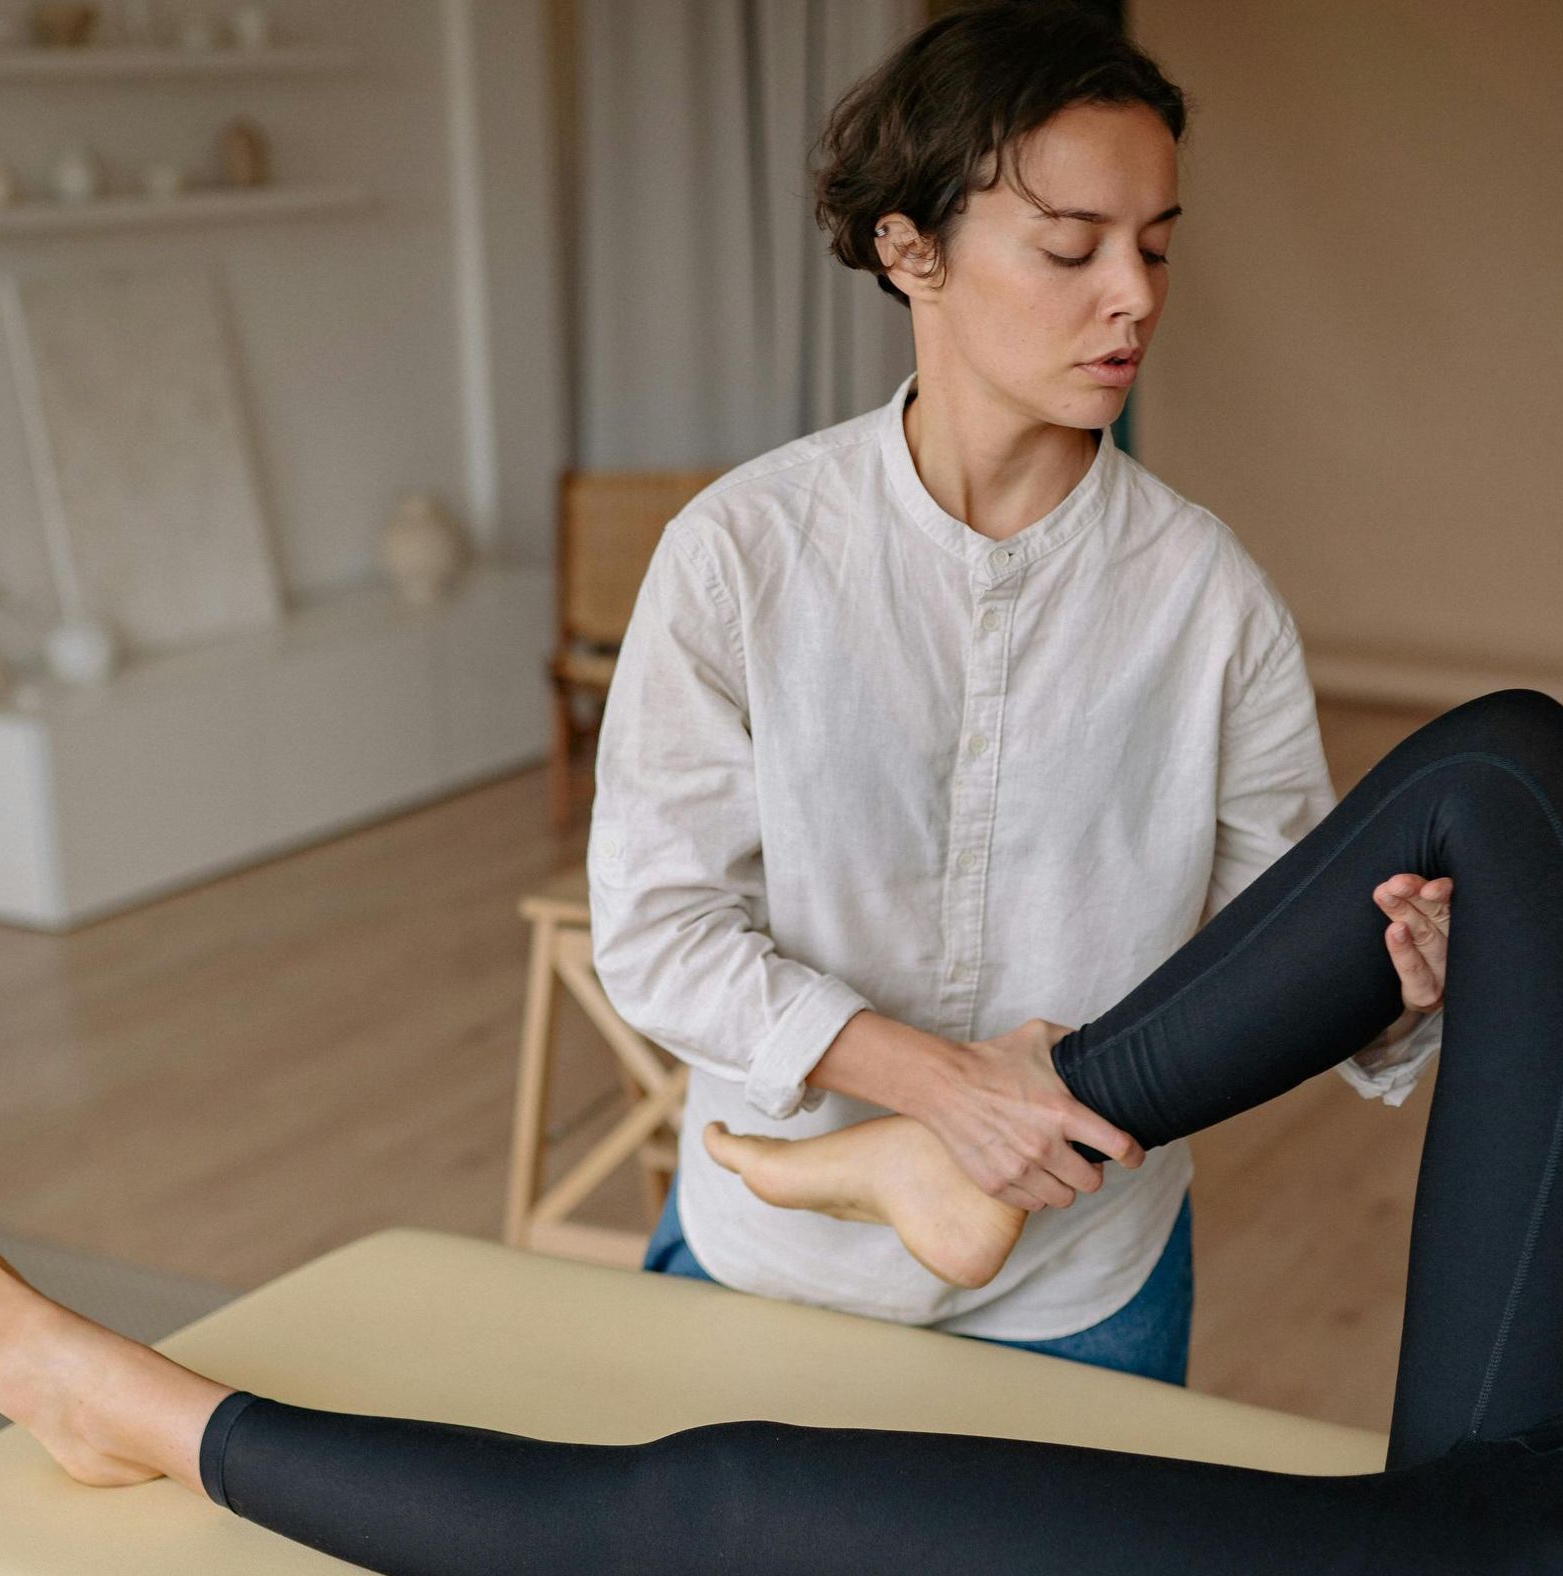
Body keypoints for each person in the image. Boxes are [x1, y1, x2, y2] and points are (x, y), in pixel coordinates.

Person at [0, 692, 1563, 1576]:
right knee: (1513, 782)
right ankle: (982, 1146)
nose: (1127, 295)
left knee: (739, 1500)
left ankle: (134, 1413)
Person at [592, 0, 1450, 1386]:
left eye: (1157, 246)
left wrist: (1396, 991)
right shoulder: (741, 556)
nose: (1136, 295)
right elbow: (658, 933)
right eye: (1071, 248)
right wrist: (942, 1092)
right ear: (909, 248)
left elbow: (1275, 933)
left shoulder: (1206, 597)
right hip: (772, 1267)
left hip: (1083, 1286)